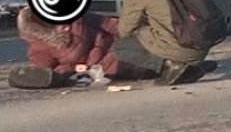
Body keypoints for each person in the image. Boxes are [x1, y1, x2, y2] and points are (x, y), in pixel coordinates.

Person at [7, 7, 151, 89]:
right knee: (147, 57)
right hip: (119, 53)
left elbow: (46, 70)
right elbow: (112, 25)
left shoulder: (39, 47)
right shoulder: (77, 18)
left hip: (108, 65)